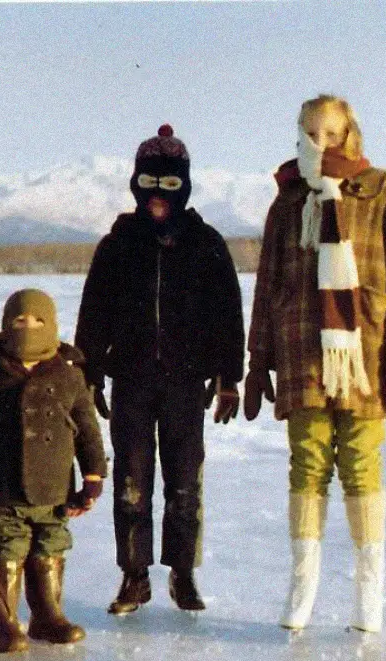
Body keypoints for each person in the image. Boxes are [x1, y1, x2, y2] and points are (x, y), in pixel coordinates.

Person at [244, 94, 386, 633]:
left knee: (361, 464)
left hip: (363, 355)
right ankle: (302, 587)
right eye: (310, 133)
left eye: (330, 133)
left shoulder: (381, 190)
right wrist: (258, 360)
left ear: (349, 134)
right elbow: (267, 285)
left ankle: (369, 594)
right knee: (307, 462)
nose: (319, 142)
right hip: (301, 349)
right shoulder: (288, 199)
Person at [75, 124, 244, 616]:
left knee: (184, 482)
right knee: (131, 481)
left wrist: (228, 376)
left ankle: (182, 573)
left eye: (169, 184)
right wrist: (89, 373)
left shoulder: (206, 244)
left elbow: (227, 315)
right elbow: (94, 314)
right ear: (135, 183)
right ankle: (134, 575)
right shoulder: (117, 245)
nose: (157, 196)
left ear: (184, 186)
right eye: (149, 183)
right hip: (131, 380)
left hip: (185, 383)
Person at [0, 288, 107, 653]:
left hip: (54, 487)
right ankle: (0, 623)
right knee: (7, 546)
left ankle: (47, 617)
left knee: (51, 542)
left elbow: (88, 431)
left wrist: (93, 476)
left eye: (38, 321)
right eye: (19, 321)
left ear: (53, 325)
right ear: (5, 325)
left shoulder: (69, 376)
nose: (29, 328)